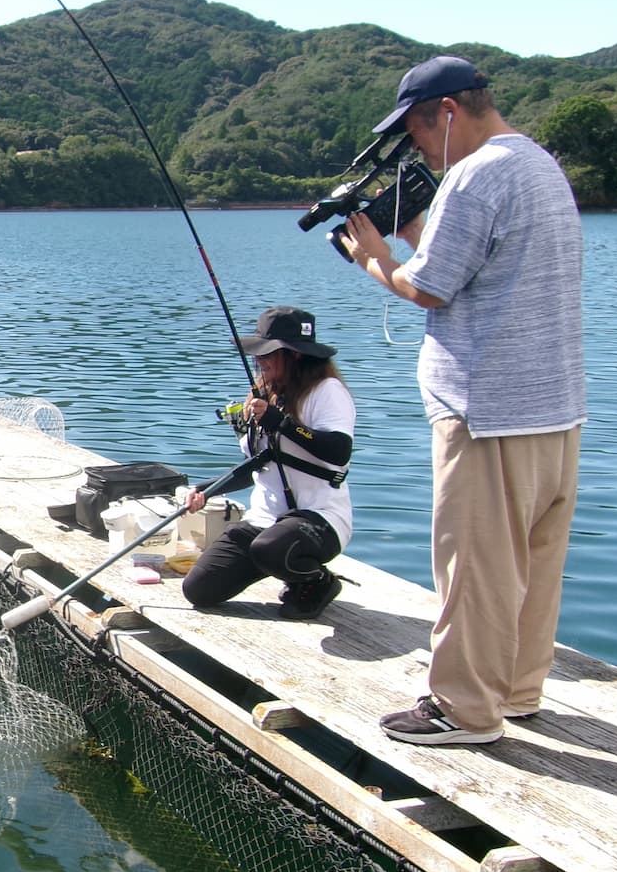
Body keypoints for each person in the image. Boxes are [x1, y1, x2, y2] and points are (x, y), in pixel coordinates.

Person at [340, 55, 585, 747]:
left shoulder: (476, 176)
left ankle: (464, 708)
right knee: (533, 565)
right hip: (554, 407)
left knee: (474, 564)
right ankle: (517, 690)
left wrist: (370, 258)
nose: (416, 146)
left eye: (417, 131)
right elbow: (469, 268)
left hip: (488, 409)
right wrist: (412, 235)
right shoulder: (537, 164)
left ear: (447, 113)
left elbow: (428, 289)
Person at [180, 306, 355, 621]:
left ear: (296, 355)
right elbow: (257, 466)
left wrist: (284, 424)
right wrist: (207, 490)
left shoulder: (327, 392)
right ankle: (287, 566)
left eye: (268, 353)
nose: (259, 361)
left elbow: (339, 451)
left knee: (269, 548)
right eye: (257, 353)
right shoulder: (261, 395)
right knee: (199, 590)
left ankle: (318, 581)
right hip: (265, 522)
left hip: (320, 520)